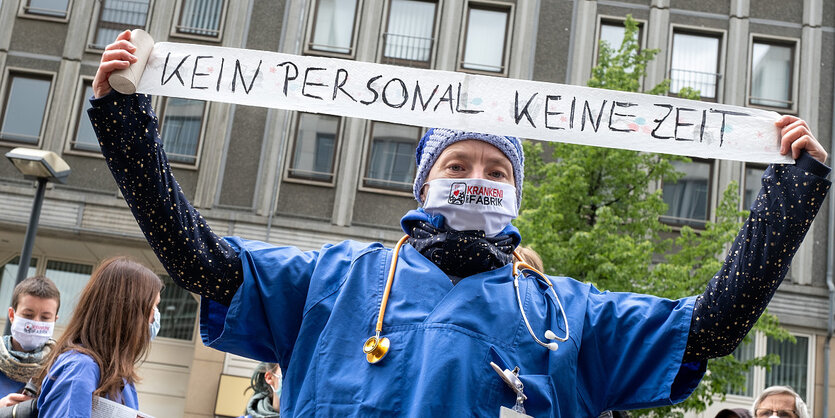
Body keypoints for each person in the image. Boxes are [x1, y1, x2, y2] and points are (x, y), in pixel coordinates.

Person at [88, 30, 831, 416]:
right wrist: (125, 126)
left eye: (496, 170)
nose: (476, 179)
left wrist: (789, 199)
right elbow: (199, 263)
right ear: (424, 180)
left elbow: (709, 329)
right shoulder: (331, 281)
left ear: (514, 193)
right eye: (458, 164)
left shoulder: (570, 316)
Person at [33, 256, 162, 416]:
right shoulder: (81, 368)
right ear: (130, 314)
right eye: (153, 307)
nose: (156, 317)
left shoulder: (117, 372)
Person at [0, 276, 60, 407]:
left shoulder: (60, 366)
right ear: (11, 315)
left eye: (45, 317)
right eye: (28, 315)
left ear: (55, 320)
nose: (36, 323)